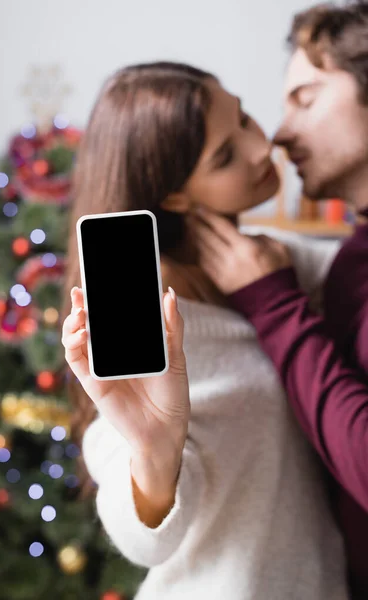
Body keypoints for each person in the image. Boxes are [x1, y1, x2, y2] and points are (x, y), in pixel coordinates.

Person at [61, 62, 349, 600]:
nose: (261, 148)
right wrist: (154, 453)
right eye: (225, 155)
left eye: (242, 118)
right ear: (174, 197)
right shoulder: (150, 322)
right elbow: (142, 533)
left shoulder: (269, 265)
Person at [186, 3, 368, 598]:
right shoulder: (346, 259)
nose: (280, 135)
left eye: (305, 98)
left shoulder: (296, 286)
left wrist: (273, 306)